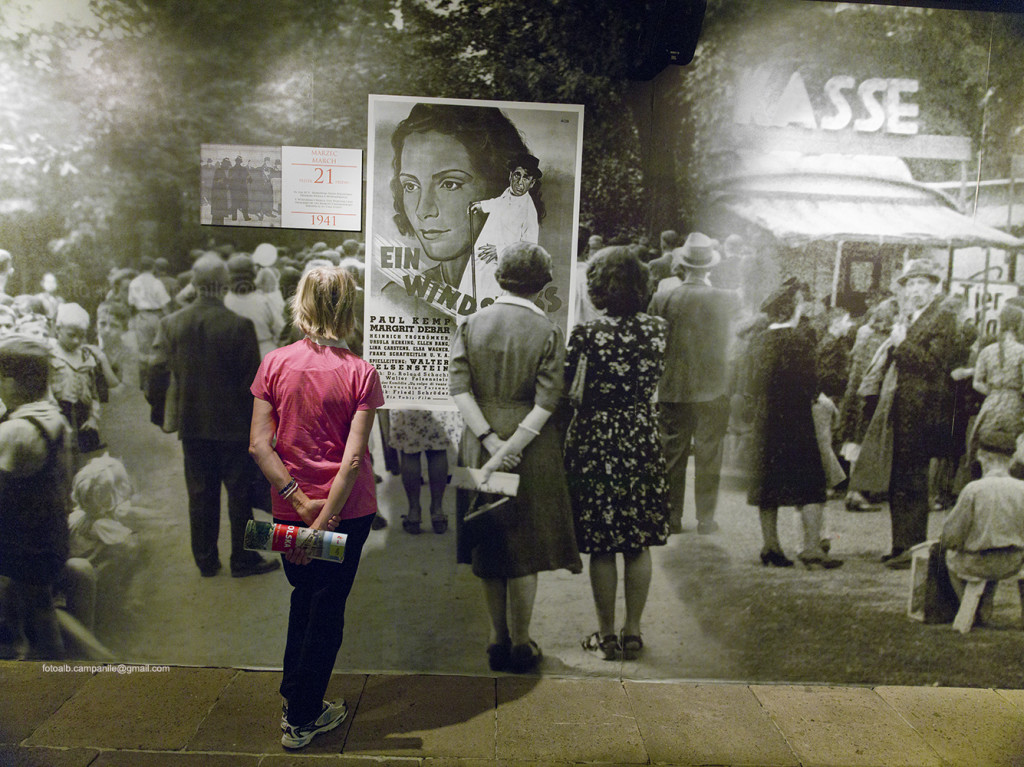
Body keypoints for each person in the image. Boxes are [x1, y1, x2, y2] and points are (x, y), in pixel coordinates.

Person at [248, 265, 384, 749]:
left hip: (291, 511)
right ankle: (302, 717)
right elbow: (351, 463)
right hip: (346, 513)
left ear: (299, 304)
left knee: (302, 599)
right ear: (349, 309)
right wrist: (323, 521)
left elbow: (259, 447)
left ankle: (295, 699)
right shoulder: (361, 373)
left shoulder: (275, 363)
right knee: (327, 611)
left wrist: (301, 507)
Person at [449, 242, 581, 674]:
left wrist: (488, 441)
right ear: (543, 285)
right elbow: (547, 403)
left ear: (498, 277)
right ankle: (522, 642)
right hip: (531, 450)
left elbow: (459, 390)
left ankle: (495, 638)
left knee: (489, 538)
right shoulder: (547, 331)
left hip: (478, 443)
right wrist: (509, 450)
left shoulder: (470, 323)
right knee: (524, 545)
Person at [564, 248, 669, 661]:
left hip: (597, 437)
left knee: (603, 542)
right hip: (641, 434)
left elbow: (567, 387)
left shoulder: (588, 334)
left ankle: (606, 635)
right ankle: (634, 631)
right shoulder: (658, 330)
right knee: (638, 541)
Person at [148, 254, 279, 579]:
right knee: (240, 494)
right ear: (223, 286)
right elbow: (253, 385)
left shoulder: (171, 323)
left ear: (195, 284)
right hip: (233, 426)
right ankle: (243, 559)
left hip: (192, 426)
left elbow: (155, 370)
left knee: (200, 494)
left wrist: (161, 413)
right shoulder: (238, 326)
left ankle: (206, 561)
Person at [380, 103, 546, 318]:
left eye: (449, 184)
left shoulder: (523, 302)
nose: (423, 210)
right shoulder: (397, 300)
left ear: (495, 184)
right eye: (410, 186)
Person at [745, 279, 842, 569]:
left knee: (767, 483)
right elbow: (811, 384)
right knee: (811, 483)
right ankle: (811, 548)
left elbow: (749, 383)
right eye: (800, 304)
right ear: (792, 308)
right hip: (796, 420)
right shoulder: (800, 340)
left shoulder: (758, 340)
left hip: (766, 419)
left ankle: (770, 546)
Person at [648, 233, 741, 534]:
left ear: (683, 265)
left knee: (672, 452)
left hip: (673, 386)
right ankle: (706, 518)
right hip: (713, 387)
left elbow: (653, 342)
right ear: (708, 267)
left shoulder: (663, 298)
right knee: (709, 452)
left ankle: (671, 517)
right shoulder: (727, 299)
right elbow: (734, 341)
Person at [884, 259, 967, 570]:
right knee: (899, 477)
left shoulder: (942, 317)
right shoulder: (911, 316)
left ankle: (913, 547)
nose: (915, 289)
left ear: (934, 287)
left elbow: (936, 364)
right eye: (911, 284)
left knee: (915, 479)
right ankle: (899, 544)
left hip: (924, 409)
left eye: (922, 283)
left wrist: (902, 343)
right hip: (904, 405)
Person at [0, 335, 73, 659]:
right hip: (48, 533)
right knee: (40, 608)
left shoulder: (15, 431)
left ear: (12, 382)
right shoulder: (52, 417)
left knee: (22, 616)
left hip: (22, 542)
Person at [940, 427, 1024, 627]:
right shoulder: (1022, 488)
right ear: (1012, 459)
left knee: (950, 556)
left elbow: (952, 534)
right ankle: (990, 608)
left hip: (976, 563)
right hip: (1014, 561)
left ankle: (972, 608)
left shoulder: (973, 490)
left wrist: (950, 542)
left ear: (982, 456)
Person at [461, 154, 543, 306]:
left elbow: (529, 249)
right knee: (468, 300)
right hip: (480, 260)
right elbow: (498, 203)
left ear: (532, 183)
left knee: (488, 308)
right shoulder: (507, 194)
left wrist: (499, 250)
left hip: (500, 268)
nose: (519, 182)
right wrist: (481, 205)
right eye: (517, 175)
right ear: (510, 175)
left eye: (526, 178)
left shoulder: (529, 212)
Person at [48, 303, 118, 458]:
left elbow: (94, 394)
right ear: (58, 329)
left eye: (81, 336)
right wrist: (57, 418)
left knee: (86, 459)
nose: (76, 341)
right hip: (58, 414)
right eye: (71, 335)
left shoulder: (86, 357)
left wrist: (93, 417)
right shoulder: (50, 354)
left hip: (83, 417)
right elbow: (46, 391)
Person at [965, 304, 1024, 478]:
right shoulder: (1022, 352)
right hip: (1014, 405)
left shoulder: (987, 351)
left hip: (990, 403)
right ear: (1017, 325)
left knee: (986, 444)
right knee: (1011, 448)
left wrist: (993, 392)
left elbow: (977, 383)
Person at [389, 409, 460, 534]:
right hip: (436, 396)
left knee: (409, 451)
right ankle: (437, 512)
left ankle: (414, 513)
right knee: (438, 449)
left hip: (407, 396)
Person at [224, 253, 284, 359]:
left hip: (233, 356)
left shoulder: (224, 302)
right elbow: (280, 330)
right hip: (264, 352)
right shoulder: (264, 300)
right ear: (253, 275)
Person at [128, 256, 172, 389]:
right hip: (156, 316)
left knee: (143, 348)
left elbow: (131, 303)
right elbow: (164, 304)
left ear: (139, 268)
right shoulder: (156, 282)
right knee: (158, 346)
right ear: (153, 268)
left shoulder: (134, 283)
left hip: (141, 316)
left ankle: (145, 381)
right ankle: (157, 379)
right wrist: (169, 318)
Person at [228, 155, 252, 221]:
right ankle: (244, 218)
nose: (238, 162)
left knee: (238, 203)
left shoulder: (234, 169)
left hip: (238, 190)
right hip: (240, 189)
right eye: (238, 161)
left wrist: (249, 179)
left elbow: (249, 177)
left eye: (239, 161)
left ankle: (236, 218)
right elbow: (229, 180)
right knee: (241, 204)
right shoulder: (241, 169)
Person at [211, 158, 231, 225]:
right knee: (217, 216)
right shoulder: (219, 170)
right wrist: (224, 181)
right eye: (226, 164)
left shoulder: (225, 171)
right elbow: (216, 182)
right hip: (218, 196)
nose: (228, 166)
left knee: (220, 216)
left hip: (222, 196)